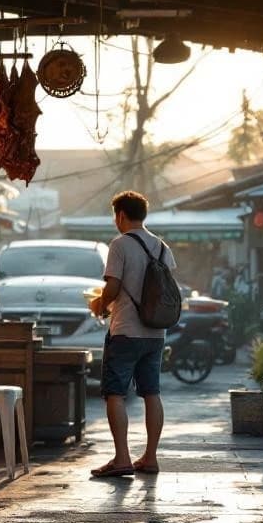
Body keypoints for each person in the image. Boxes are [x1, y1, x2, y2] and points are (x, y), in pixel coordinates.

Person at [88, 190, 177, 478]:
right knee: (152, 392)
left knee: (114, 393)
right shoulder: (162, 247)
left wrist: (100, 305)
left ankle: (122, 458)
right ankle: (150, 457)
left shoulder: (120, 245)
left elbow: (112, 287)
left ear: (121, 215)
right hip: (155, 332)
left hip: (126, 330)